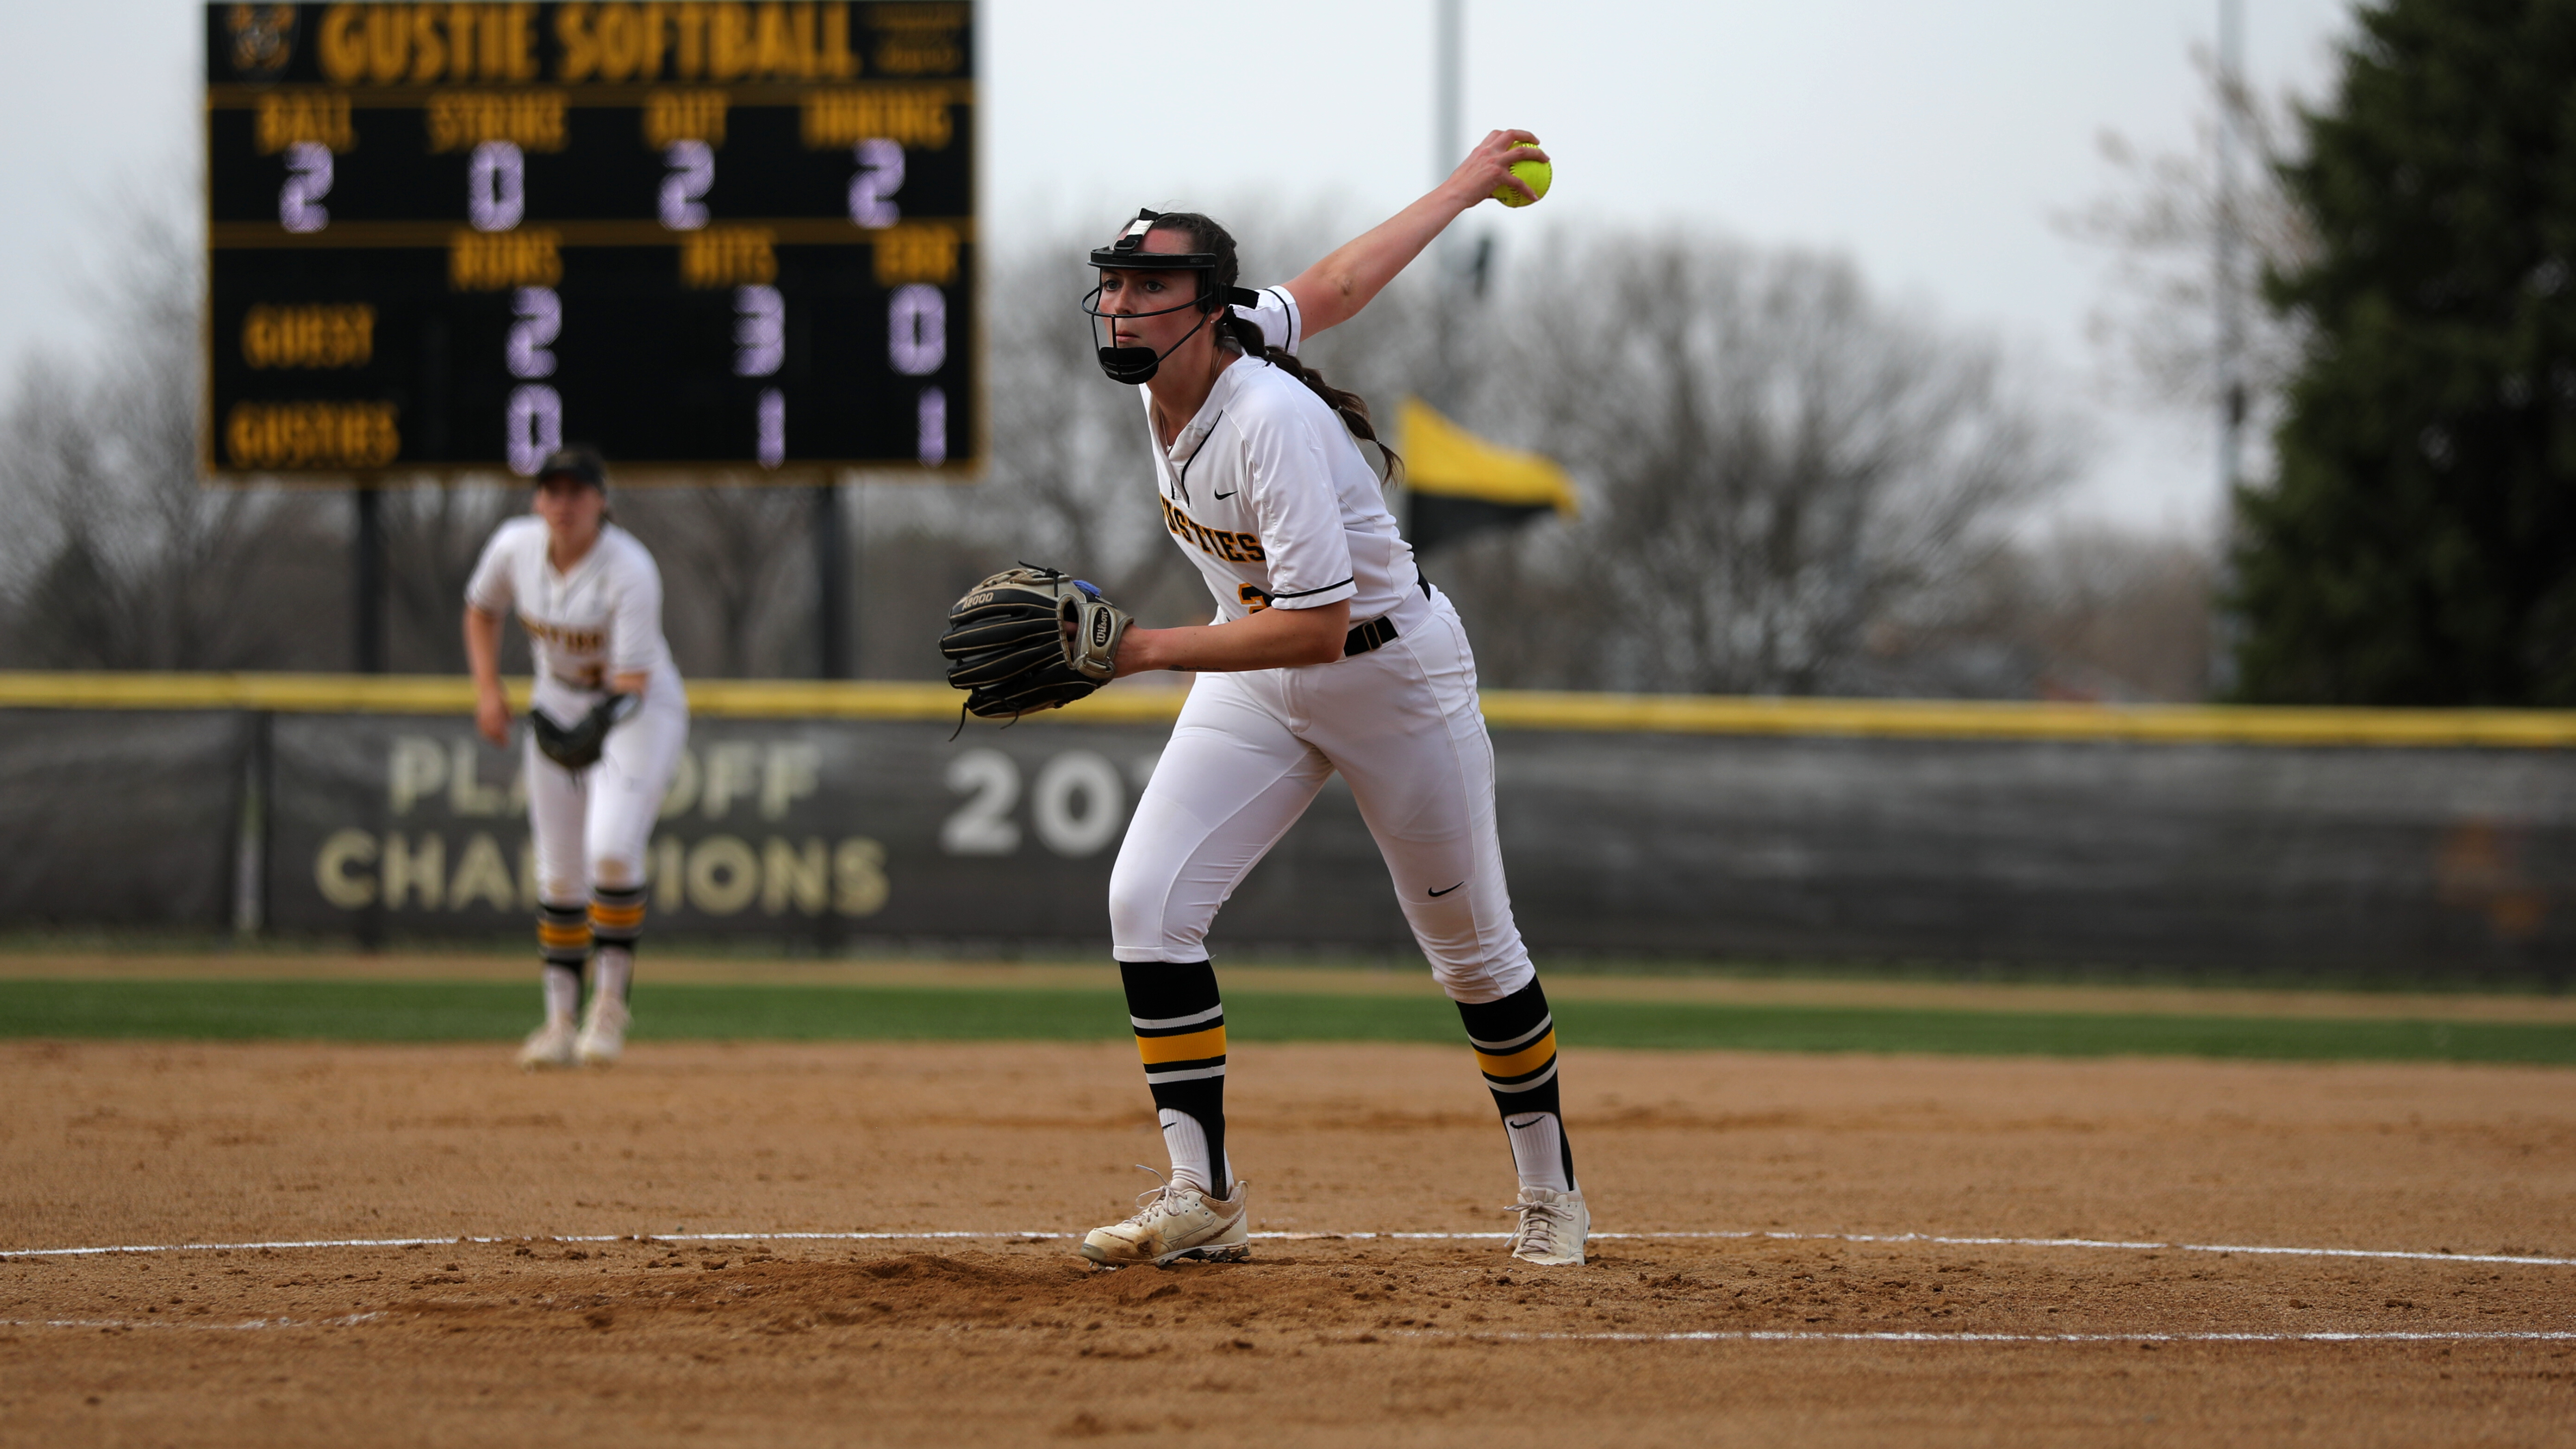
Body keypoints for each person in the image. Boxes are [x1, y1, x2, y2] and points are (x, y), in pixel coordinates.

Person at [1072, 131, 1587, 1269]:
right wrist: (1462, 187)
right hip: (1256, 678)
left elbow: (1314, 619)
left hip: (1389, 677)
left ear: (1206, 308)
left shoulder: (1270, 419)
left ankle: (1550, 1192)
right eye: (1112, 282)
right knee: (1147, 901)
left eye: (1147, 286)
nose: (1120, 304)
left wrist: (1147, 647)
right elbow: (1343, 282)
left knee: (1471, 952)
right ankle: (1201, 1195)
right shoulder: (1194, 360)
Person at [462, 446, 689, 1070]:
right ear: (538, 500)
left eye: (577, 491)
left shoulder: (629, 568)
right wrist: (488, 689)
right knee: (560, 873)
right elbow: (482, 609)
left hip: (638, 712)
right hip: (560, 702)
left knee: (612, 850)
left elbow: (633, 685)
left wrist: (584, 733)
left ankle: (609, 1009)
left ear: (601, 501)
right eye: (553, 491)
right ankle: (559, 1022)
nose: (564, 503)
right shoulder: (514, 547)